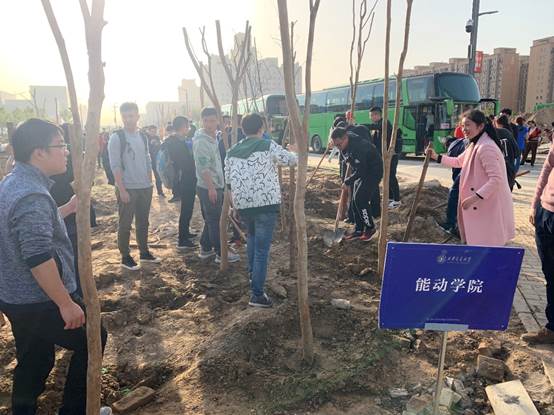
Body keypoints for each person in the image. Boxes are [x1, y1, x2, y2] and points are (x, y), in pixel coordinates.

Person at [0, 119, 109, 415]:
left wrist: (67, 209)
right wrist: (65, 303)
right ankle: (77, 410)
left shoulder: (12, 183)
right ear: (39, 152)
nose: (66, 151)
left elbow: (26, 228)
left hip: (15, 297)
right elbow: (37, 255)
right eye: (60, 145)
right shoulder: (32, 195)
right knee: (93, 337)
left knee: (35, 359)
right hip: (39, 299)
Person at [225, 113, 298, 307]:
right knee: (261, 250)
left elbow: (228, 183)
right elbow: (291, 161)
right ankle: (257, 294)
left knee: (251, 239)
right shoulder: (268, 145)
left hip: (244, 205)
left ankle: (253, 277)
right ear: (261, 128)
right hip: (265, 204)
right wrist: (295, 151)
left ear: (242, 129)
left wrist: (234, 206)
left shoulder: (231, 152)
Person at [428, 109, 515, 246]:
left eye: (468, 125)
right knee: (478, 242)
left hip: (487, 205)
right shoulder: (475, 144)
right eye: (462, 126)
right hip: (480, 206)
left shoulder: (486, 147)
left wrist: (474, 197)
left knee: (485, 245)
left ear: (480, 126)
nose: (464, 129)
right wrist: (436, 157)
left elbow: (496, 179)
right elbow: (458, 161)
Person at [108, 102, 160, 271]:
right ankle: (125, 256)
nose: (128, 119)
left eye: (131, 116)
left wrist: (149, 180)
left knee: (143, 222)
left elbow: (147, 158)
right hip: (127, 187)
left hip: (144, 187)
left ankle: (144, 252)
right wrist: (122, 189)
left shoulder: (143, 136)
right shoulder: (117, 138)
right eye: (125, 116)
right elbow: (115, 165)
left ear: (138, 116)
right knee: (125, 224)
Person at [193, 107, 240, 263]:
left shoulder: (214, 137)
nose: (209, 124)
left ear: (218, 121)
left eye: (212, 120)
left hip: (217, 184)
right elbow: (203, 167)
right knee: (215, 220)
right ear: (202, 121)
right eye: (206, 121)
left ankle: (205, 247)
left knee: (211, 219)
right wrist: (211, 188)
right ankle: (221, 253)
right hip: (208, 186)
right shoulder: (201, 141)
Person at [522, 140, 554, 343]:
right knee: (550, 274)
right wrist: (535, 204)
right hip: (546, 213)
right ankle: (552, 328)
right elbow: (547, 167)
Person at [331, 126, 383, 241]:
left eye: (339, 145)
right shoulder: (346, 140)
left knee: (361, 199)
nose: (338, 148)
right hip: (361, 169)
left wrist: (348, 181)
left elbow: (361, 171)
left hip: (373, 171)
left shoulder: (358, 147)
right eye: (335, 145)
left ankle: (370, 228)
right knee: (354, 200)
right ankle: (359, 229)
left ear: (345, 138)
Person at [165, 116, 197, 249]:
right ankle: (182, 239)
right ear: (183, 127)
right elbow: (184, 162)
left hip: (185, 177)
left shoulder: (176, 140)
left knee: (188, 207)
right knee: (186, 208)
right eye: (187, 126)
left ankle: (185, 232)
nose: (188, 129)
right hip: (185, 178)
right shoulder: (176, 142)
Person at [367, 106, 400, 209]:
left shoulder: (384, 123)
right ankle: (390, 198)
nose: (371, 117)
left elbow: (374, 127)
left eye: (372, 115)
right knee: (386, 177)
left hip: (391, 155)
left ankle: (397, 200)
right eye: (370, 116)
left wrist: (360, 126)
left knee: (391, 176)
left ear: (378, 115)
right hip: (382, 156)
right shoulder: (377, 126)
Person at [145, 125, 165, 197]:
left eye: (155, 131)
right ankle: (147, 192)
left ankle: (160, 192)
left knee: (158, 177)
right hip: (147, 161)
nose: (153, 133)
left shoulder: (157, 138)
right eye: (152, 131)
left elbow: (160, 147)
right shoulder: (145, 138)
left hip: (155, 160)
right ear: (149, 131)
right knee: (146, 177)